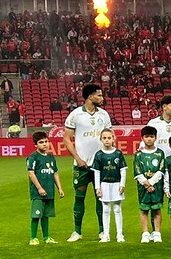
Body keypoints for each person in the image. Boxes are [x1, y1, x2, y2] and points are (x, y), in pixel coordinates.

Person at [64, 84, 112, 242]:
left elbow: (110, 136)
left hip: (101, 165)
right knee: (79, 197)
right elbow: (67, 139)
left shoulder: (104, 114)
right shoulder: (75, 115)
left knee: (101, 197)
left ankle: (102, 231)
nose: (102, 98)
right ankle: (77, 232)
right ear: (90, 97)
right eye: (99, 95)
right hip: (82, 164)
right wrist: (78, 159)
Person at [27, 131, 64, 245]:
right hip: (38, 192)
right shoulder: (33, 157)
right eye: (41, 142)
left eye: (46, 141)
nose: (44, 144)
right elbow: (31, 173)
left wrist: (59, 188)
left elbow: (55, 173)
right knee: (36, 214)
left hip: (49, 190)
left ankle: (46, 237)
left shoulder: (51, 157)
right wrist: (39, 188)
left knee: (46, 215)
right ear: (35, 145)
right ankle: (33, 238)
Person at [91, 129, 127, 243]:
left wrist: (122, 184)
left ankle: (119, 234)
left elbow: (123, 170)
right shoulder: (99, 154)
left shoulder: (118, 153)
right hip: (104, 184)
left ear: (113, 139)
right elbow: (97, 172)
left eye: (109, 138)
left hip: (116, 184)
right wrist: (97, 187)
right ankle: (106, 234)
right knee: (105, 208)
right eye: (104, 138)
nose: (107, 140)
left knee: (117, 208)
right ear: (101, 139)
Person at [133, 126, 166, 243]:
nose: (149, 139)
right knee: (144, 210)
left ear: (155, 138)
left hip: (156, 186)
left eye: (151, 137)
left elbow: (161, 170)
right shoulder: (138, 155)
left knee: (157, 209)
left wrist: (151, 183)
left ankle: (157, 233)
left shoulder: (160, 153)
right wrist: (146, 184)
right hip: (143, 187)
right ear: (142, 138)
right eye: (146, 137)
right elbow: (137, 171)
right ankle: (145, 233)